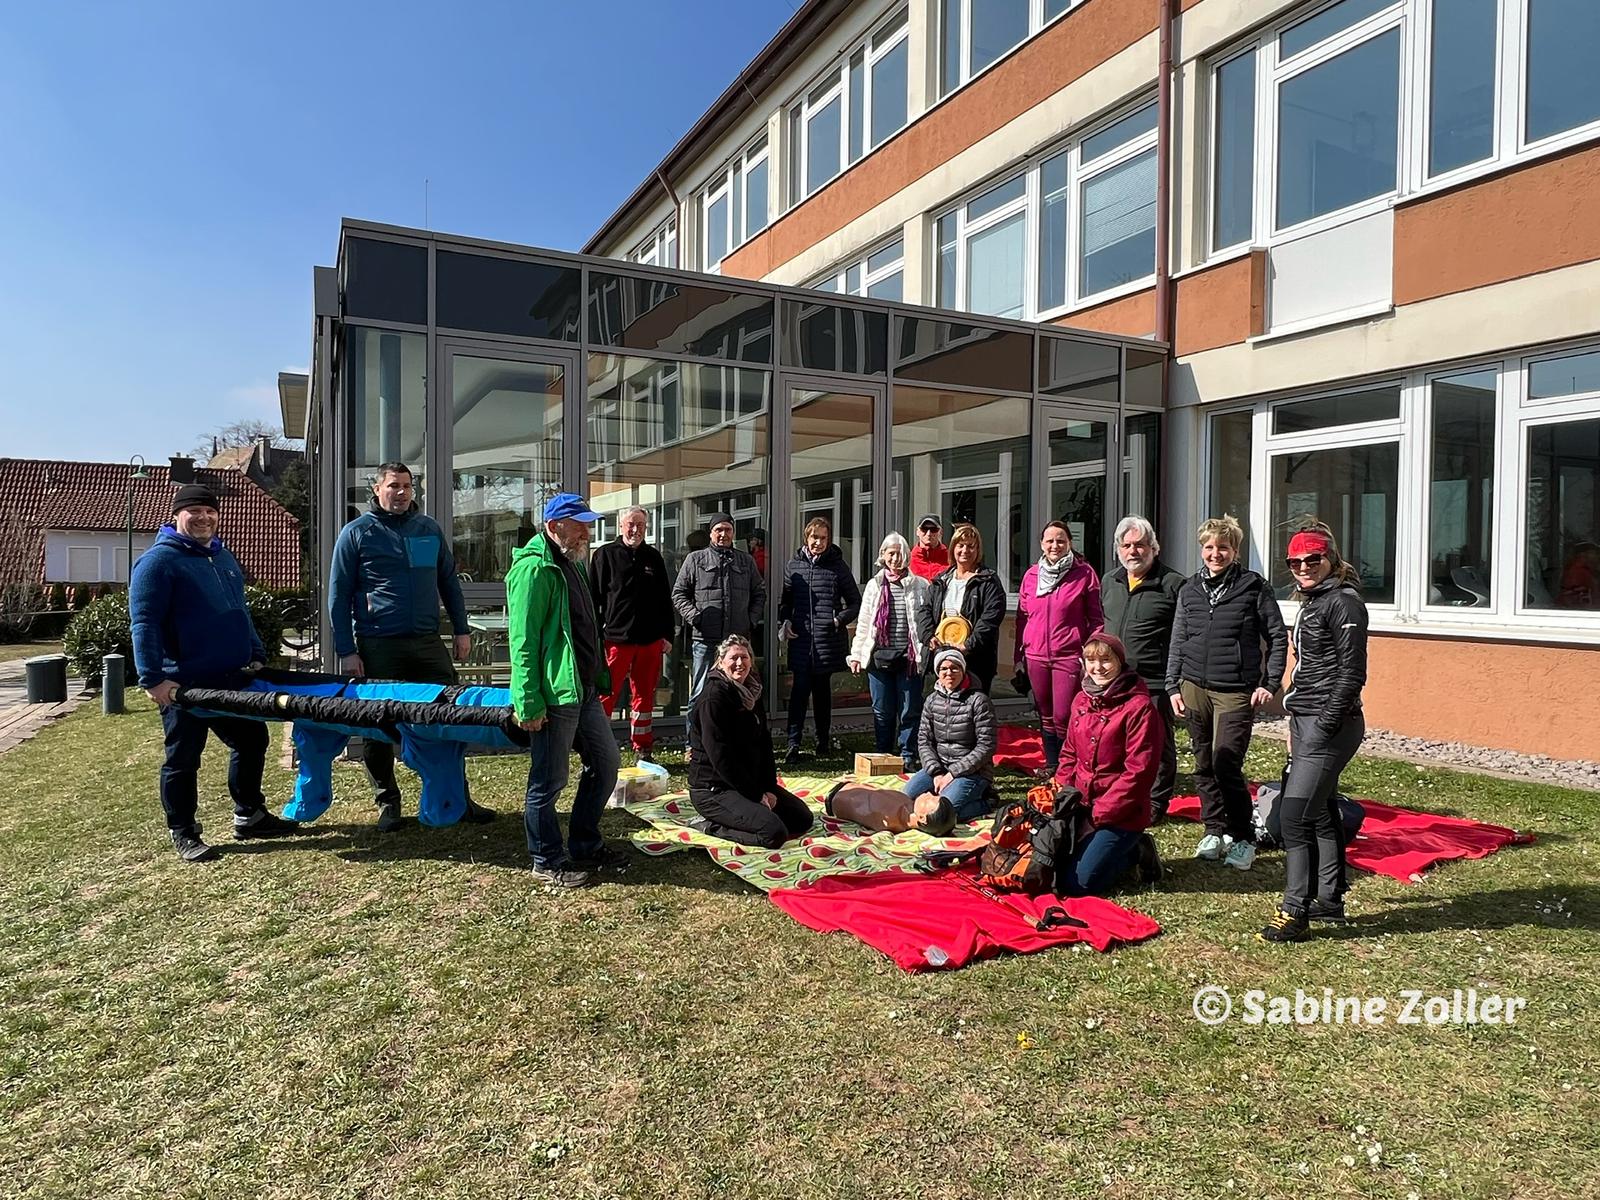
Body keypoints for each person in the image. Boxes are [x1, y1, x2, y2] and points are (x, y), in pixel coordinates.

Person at [129, 482, 298, 861]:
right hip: (183, 685)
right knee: (183, 758)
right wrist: (152, 678)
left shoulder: (221, 556)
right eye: (194, 511)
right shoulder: (158, 563)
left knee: (252, 741)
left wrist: (254, 649)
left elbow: (239, 609)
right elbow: (144, 623)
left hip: (231, 677)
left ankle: (250, 815)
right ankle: (184, 831)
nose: (204, 518)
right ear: (177, 515)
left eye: (210, 511)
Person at [327, 461, 487, 831]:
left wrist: (461, 631)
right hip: (379, 643)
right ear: (377, 490)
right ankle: (388, 801)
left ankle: (456, 797)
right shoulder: (357, 533)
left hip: (427, 643)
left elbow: (449, 583)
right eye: (394, 486)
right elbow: (338, 595)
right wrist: (347, 650)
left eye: (407, 486)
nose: (401, 493)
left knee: (450, 717)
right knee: (377, 724)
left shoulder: (428, 529)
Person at [507, 493, 623, 889]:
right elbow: (523, 641)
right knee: (549, 779)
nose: (587, 533)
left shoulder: (572, 564)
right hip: (556, 696)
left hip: (583, 690)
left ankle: (586, 843)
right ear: (556, 526)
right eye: (580, 525)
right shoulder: (535, 569)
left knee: (607, 764)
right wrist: (528, 700)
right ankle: (547, 859)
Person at [1260, 525, 1370, 944]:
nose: (1304, 567)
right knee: (1319, 809)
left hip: (1330, 724)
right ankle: (1329, 897)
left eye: (1313, 560)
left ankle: (1294, 910)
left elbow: (1351, 675)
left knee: (1294, 816)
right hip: (1308, 721)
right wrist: (1297, 724)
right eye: (1295, 562)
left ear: (1331, 560)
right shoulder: (1315, 601)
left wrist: (1321, 726)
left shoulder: (1342, 603)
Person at [1165, 515, 1288, 873]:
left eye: (1223, 547)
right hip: (1193, 686)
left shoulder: (1253, 587)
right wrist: (1173, 685)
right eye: (1209, 547)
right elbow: (1178, 638)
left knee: (1226, 762)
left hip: (1235, 690)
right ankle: (1214, 830)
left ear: (1235, 551)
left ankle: (1243, 836)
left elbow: (1278, 637)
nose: (1215, 553)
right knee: (1203, 763)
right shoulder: (1190, 589)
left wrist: (1269, 681)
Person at [1054, 633, 1162, 896]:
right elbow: (1069, 752)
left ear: (1120, 662)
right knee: (1050, 867)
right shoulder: (1081, 699)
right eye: (1090, 660)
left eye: (1105, 660)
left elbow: (1138, 773)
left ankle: (1136, 850)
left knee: (1078, 885)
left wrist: (1098, 814)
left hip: (1120, 811)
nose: (1097, 667)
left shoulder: (1140, 708)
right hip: (1081, 803)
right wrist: (1062, 792)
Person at [687, 635, 813, 848]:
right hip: (714, 789)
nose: (739, 664)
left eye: (744, 658)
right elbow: (721, 757)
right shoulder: (713, 699)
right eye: (733, 658)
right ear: (721, 661)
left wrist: (769, 789)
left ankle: (751, 809)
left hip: (748, 781)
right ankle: (710, 826)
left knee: (802, 819)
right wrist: (755, 795)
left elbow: (764, 744)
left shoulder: (751, 692)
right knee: (773, 833)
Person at [1100, 516, 1187, 821]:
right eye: (1127, 545)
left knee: (1156, 746)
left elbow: (1184, 636)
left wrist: (1176, 681)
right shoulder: (1109, 581)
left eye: (1140, 544)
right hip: (1115, 682)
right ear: (1118, 549)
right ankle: (1123, 795)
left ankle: (1156, 803)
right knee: (1118, 744)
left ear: (1154, 548)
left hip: (1155, 682)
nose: (1133, 551)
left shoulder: (1174, 585)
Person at [1015, 520, 1103, 778]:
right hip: (1035, 655)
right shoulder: (1032, 575)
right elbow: (1022, 618)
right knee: (1044, 714)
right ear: (1042, 544)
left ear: (1069, 544)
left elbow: (1096, 620)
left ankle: (1069, 767)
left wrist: (1089, 655)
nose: (1055, 545)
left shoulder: (1084, 573)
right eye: (1050, 541)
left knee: (1064, 715)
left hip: (1068, 655)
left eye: (1061, 540)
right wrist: (1018, 656)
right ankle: (1052, 764)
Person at [589, 506, 674, 761]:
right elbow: (594, 599)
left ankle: (643, 748)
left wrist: (667, 634)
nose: (635, 529)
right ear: (621, 525)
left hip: (649, 640)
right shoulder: (605, 555)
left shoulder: (653, 557)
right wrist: (595, 634)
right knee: (606, 695)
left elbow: (664, 600)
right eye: (630, 524)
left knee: (644, 696)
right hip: (616, 640)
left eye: (640, 525)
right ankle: (598, 746)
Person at [848, 532, 935, 772]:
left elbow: (926, 621)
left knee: (909, 709)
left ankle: (908, 754)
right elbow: (864, 621)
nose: (896, 558)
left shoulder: (920, 585)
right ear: (883, 556)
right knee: (883, 710)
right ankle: (883, 753)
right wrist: (856, 654)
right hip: (879, 658)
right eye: (891, 553)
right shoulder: (874, 585)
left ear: (907, 555)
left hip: (909, 658)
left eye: (900, 553)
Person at [778, 517, 861, 762]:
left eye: (823, 538)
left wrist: (838, 620)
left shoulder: (838, 566)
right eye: (815, 538)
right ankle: (793, 744)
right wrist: (786, 621)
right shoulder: (794, 566)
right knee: (799, 693)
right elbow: (786, 602)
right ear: (807, 538)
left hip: (826, 641)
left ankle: (822, 743)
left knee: (822, 694)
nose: (819, 543)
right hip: (801, 640)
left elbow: (855, 602)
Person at [672, 512, 766, 723]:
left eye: (728, 530)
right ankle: (693, 744)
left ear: (733, 533)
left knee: (740, 690)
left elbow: (759, 593)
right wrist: (696, 617)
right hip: (706, 640)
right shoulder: (695, 560)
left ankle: (732, 737)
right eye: (719, 530)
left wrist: (750, 620)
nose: (723, 534)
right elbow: (678, 594)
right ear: (711, 533)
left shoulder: (745, 561)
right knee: (700, 692)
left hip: (736, 639)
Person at [904, 648, 997, 825]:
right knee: (907, 799)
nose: (949, 673)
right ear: (937, 672)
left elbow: (987, 746)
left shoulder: (979, 701)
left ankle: (986, 801)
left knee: (943, 813)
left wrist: (953, 774)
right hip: (940, 766)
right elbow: (924, 740)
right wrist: (937, 772)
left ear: (963, 671)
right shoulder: (931, 700)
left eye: (955, 668)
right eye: (944, 669)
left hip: (973, 771)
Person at [928, 524, 1007, 693]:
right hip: (945, 655)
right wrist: (928, 636)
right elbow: (925, 610)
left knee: (975, 709)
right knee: (947, 707)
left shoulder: (988, 580)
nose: (965, 550)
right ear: (953, 548)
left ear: (978, 550)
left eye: (971, 546)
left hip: (976, 659)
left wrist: (968, 645)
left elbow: (991, 617)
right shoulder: (941, 580)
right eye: (960, 545)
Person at [910, 514, 949, 582]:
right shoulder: (908, 559)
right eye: (924, 529)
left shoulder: (950, 558)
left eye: (933, 529)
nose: (928, 533)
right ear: (917, 532)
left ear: (941, 532)